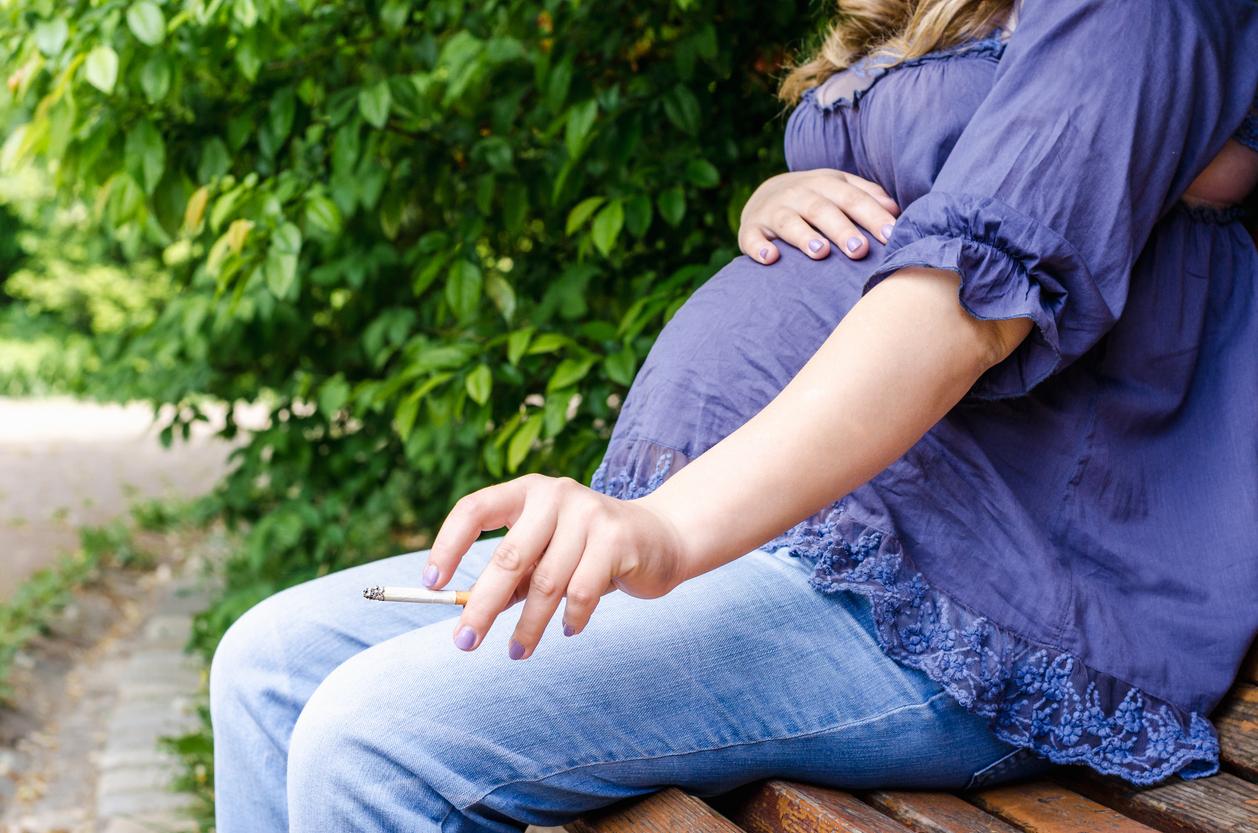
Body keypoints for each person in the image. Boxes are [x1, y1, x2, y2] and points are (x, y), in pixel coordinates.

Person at [209, 1, 1258, 830]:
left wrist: (667, 527)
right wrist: (776, 195)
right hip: (804, 539)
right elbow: (908, 201)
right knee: (270, 660)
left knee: (377, 736)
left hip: (968, 583)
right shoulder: (949, 15)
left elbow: (962, 312)